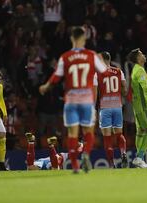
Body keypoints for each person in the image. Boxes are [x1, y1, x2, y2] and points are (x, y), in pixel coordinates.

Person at [39, 27, 107, 173]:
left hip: (71, 100)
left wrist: (45, 86)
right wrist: (100, 60)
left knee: (72, 134)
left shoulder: (65, 56)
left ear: (71, 38)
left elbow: (56, 77)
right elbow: (104, 71)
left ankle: (75, 165)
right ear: (84, 38)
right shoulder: (91, 55)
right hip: (87, 99)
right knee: (88, 131)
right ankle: (86, 155)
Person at [94, 51, 128, 168]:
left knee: (107, 138)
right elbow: (125, 90)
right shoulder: (119, 71)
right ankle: (123, 153)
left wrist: (94, 109)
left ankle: (112, 163)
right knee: (119, 134)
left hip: (105, 109)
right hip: (117, 107)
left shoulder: (97, 73)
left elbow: (95, 94)